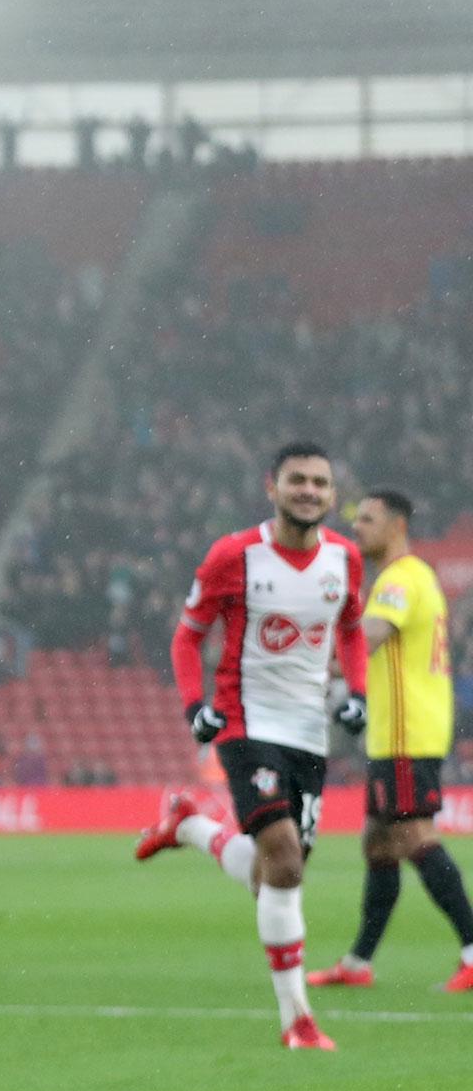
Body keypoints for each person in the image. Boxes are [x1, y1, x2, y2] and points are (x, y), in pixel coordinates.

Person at [133, 442, 366, 1050]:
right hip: (246, 725)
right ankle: (298, 1021)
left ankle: (189, 827)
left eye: (319, 482)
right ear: (273, 486)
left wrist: (357, 691)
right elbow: (188, 638)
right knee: (285, 861)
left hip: (308, 734)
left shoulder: (345, 559)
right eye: (297, 480)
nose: (308, 491)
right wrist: (195, 709)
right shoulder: (234, 555)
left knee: (273, 880)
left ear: (332, 495)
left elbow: (350, 629)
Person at [307, 490, 473, 992]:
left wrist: (303, 658)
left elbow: (370, 637)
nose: (357, 527)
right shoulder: (409, 576)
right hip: (395, 732)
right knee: (378, 842)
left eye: (369, 519)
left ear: (397, 525)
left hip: (407, 732)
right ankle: (358, 964)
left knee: (414, 836)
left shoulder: (400, 580)